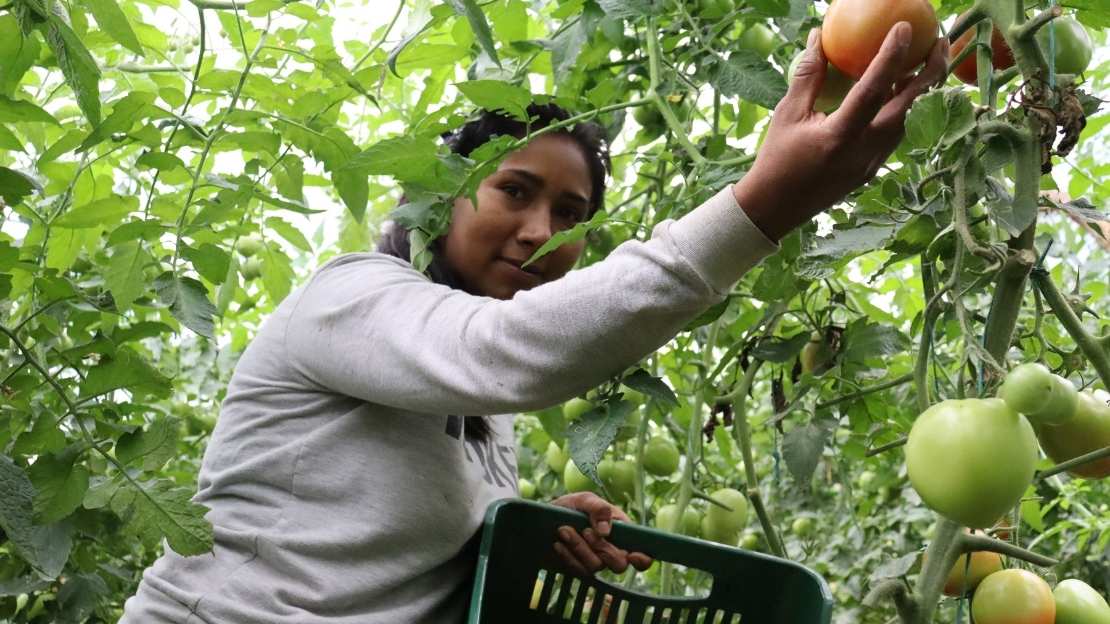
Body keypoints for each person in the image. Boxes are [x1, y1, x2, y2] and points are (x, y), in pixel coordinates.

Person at [121, 23, 948, 624]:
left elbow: (396, 549)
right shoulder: (349, 298)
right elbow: (501, 353)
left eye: (571, 212)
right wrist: (768, 201)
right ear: (445, 196)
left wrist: (524, 527)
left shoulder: (490, 418)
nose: (541, 232)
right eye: (514, 191)